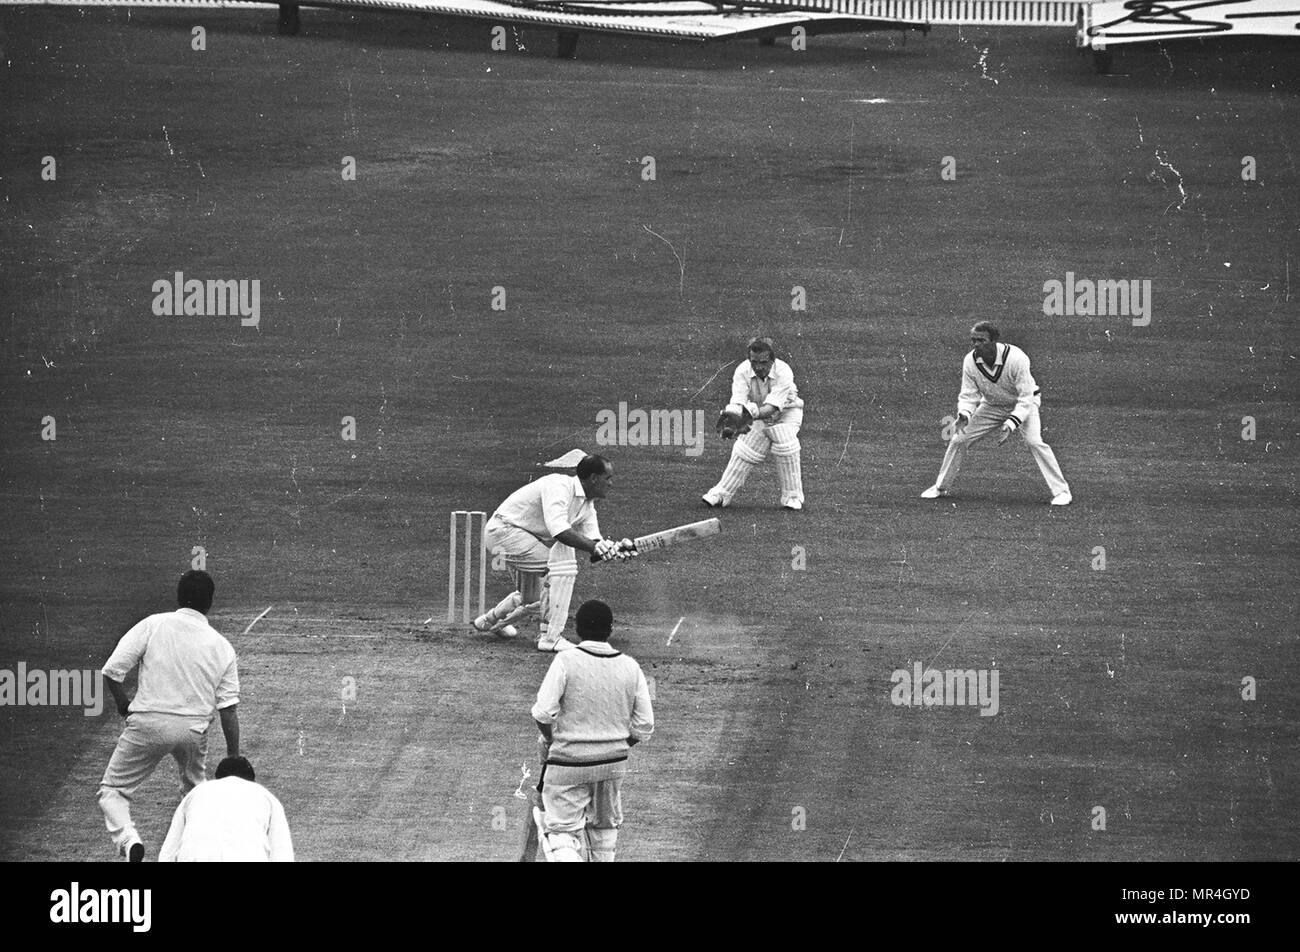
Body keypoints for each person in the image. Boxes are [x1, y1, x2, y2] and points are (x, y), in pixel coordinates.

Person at [98, 569, 240, 861]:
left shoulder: (154, 624)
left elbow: (112, 671)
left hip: (148, 722)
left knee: (112, 791)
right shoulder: (222, 646)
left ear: (178, 596)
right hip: (193, 730)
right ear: (210, 603)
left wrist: (123, 704)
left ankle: (128, 840)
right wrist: (233, 757)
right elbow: (228, 709)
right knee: (195, 797)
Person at [530, 600, 653, 861]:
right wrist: (616, 744)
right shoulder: (631, 666)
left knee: (562, 831)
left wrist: (551, 739)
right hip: (613, 764)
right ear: (611, 629)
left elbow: (543, 712)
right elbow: (644, 726)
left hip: (568, 763)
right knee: (604, 829)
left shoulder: (566, 660)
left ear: (576, 628)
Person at [472, 454, 635, 652]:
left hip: (524, 537)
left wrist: (615, 550)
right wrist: (595, 548)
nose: (611, 484)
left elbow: (594, 542)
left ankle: (489, 621)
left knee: (532, 598)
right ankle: (550, 637)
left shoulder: (587, 506)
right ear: (593, 478)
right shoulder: (559, 486)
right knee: (561, 568)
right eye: (608, 478)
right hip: (503, 533)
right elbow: (559, 530)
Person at [922, 322, 1072, 505]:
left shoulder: (1017, 358)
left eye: (981, 340)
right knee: (959, 439)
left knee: (1034, 441)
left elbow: (1026, 398)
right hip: (992, 406)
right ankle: (940, 487)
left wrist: (1010, 423)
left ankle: (1062, 492)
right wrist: (964, 414)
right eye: (973, 340)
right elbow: (968, 394)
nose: (976, 345)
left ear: (994, 341)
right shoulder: (970, 361)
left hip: (1024, 404)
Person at [702, 336, 806, 510]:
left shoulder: (784, 371)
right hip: (756, 414)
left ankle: (793, 497)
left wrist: (748, 413)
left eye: (764, 362)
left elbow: (771, 409)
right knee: (746, 448)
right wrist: (731, 421)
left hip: (787, 413)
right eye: (754, 362)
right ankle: (721, 494)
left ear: (772, 360)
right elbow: (738, 401)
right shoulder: (742, 371)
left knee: (785, 441)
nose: (758, 367)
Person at [158, 756, 294, 862]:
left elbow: (168, 852)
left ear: (217, 778)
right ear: (252, 780)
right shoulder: (266, 796)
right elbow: (282, 854)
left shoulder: (196, 793)